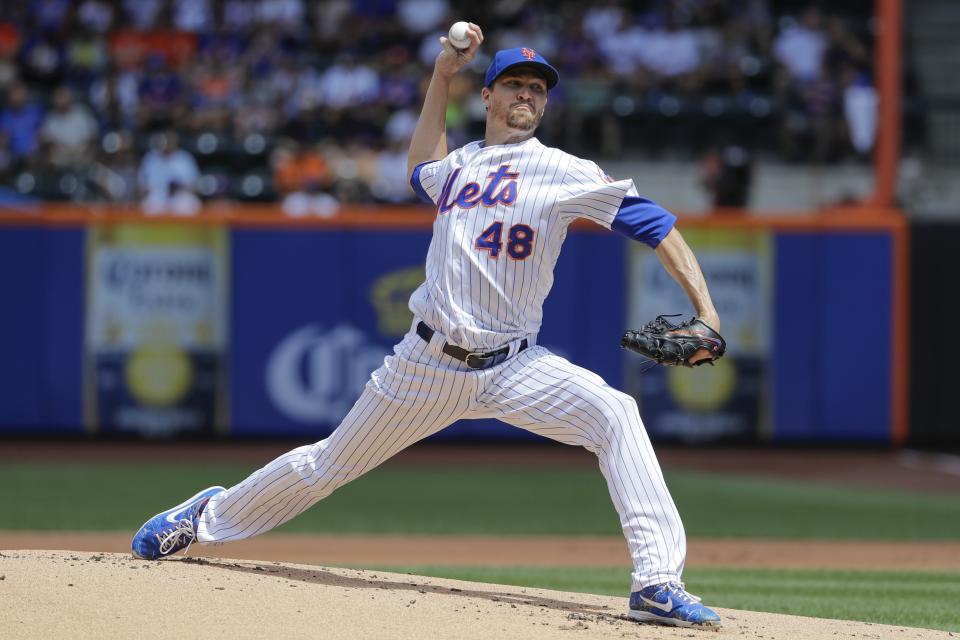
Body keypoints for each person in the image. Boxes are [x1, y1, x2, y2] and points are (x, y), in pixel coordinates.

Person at [131, 24, 723, 630]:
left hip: (517, 364)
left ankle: (656, 583)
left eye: (537, 88)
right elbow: (420, 167)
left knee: (616, 414)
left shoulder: (566, 171)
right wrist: (442, 75)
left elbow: (658, 226)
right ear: (486, 98)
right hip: (427, 364)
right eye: (513, 84)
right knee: (326, 467)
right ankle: (206, 516)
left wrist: (707, 312)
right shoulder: (458, 167)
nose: (527, 95)